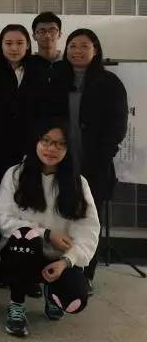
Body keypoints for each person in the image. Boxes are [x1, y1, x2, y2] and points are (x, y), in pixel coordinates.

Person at [0, 119, 100, 337]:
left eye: (60, 144)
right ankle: (16, 305)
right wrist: (47, 234)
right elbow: (4, 220)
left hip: (59, 259)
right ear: (36, 142)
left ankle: (53, 293)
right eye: (46, 141)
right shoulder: (16, 175)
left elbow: (88, 230)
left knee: (75, 298)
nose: (52, 148)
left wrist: (67, 261)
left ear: (69, 148)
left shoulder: (78, 183)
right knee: (25, 238)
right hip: (22, 252)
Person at [0, 24, 47, 290]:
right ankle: (3, 266)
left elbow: (47, 114)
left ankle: (32, 271)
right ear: (0, 46)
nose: (14, 48)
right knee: (0, 209)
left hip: (35, 153)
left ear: (28, 45)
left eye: (19, 43)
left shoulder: (40, 74)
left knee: (32, 208)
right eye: (8, 43)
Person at [56, 29, 128, 292]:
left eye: (84, 46)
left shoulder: (110, 83)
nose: (77, 51)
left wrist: (102, 157)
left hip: (94, 164)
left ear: (95, 50)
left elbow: (117, 126)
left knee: (88, 219)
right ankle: (60, 268)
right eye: (72, 45)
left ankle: (85, 273)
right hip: (59, 161)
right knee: (60, 216)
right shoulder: (56, 80)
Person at [31, 12, 64, 84]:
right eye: (42, 31)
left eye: (52, 31)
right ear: (34, 36)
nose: (47, 35)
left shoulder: (68, 62)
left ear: (60, 34)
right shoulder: (28, 64)